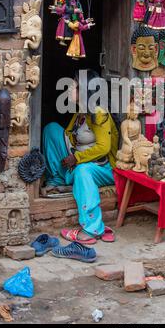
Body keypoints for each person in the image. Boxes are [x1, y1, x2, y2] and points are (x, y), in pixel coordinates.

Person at [43, 70, 119, 244]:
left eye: (74, 85)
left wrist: (76, 158)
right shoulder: (81, 113)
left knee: (83, 171)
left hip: (103, 167)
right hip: (82, 159)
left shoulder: (99, 113)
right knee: (52, 129)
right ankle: (57, 180)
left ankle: (92, 228)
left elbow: (104, 147)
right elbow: (69, 134)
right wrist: (70, 151)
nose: (69, 88)